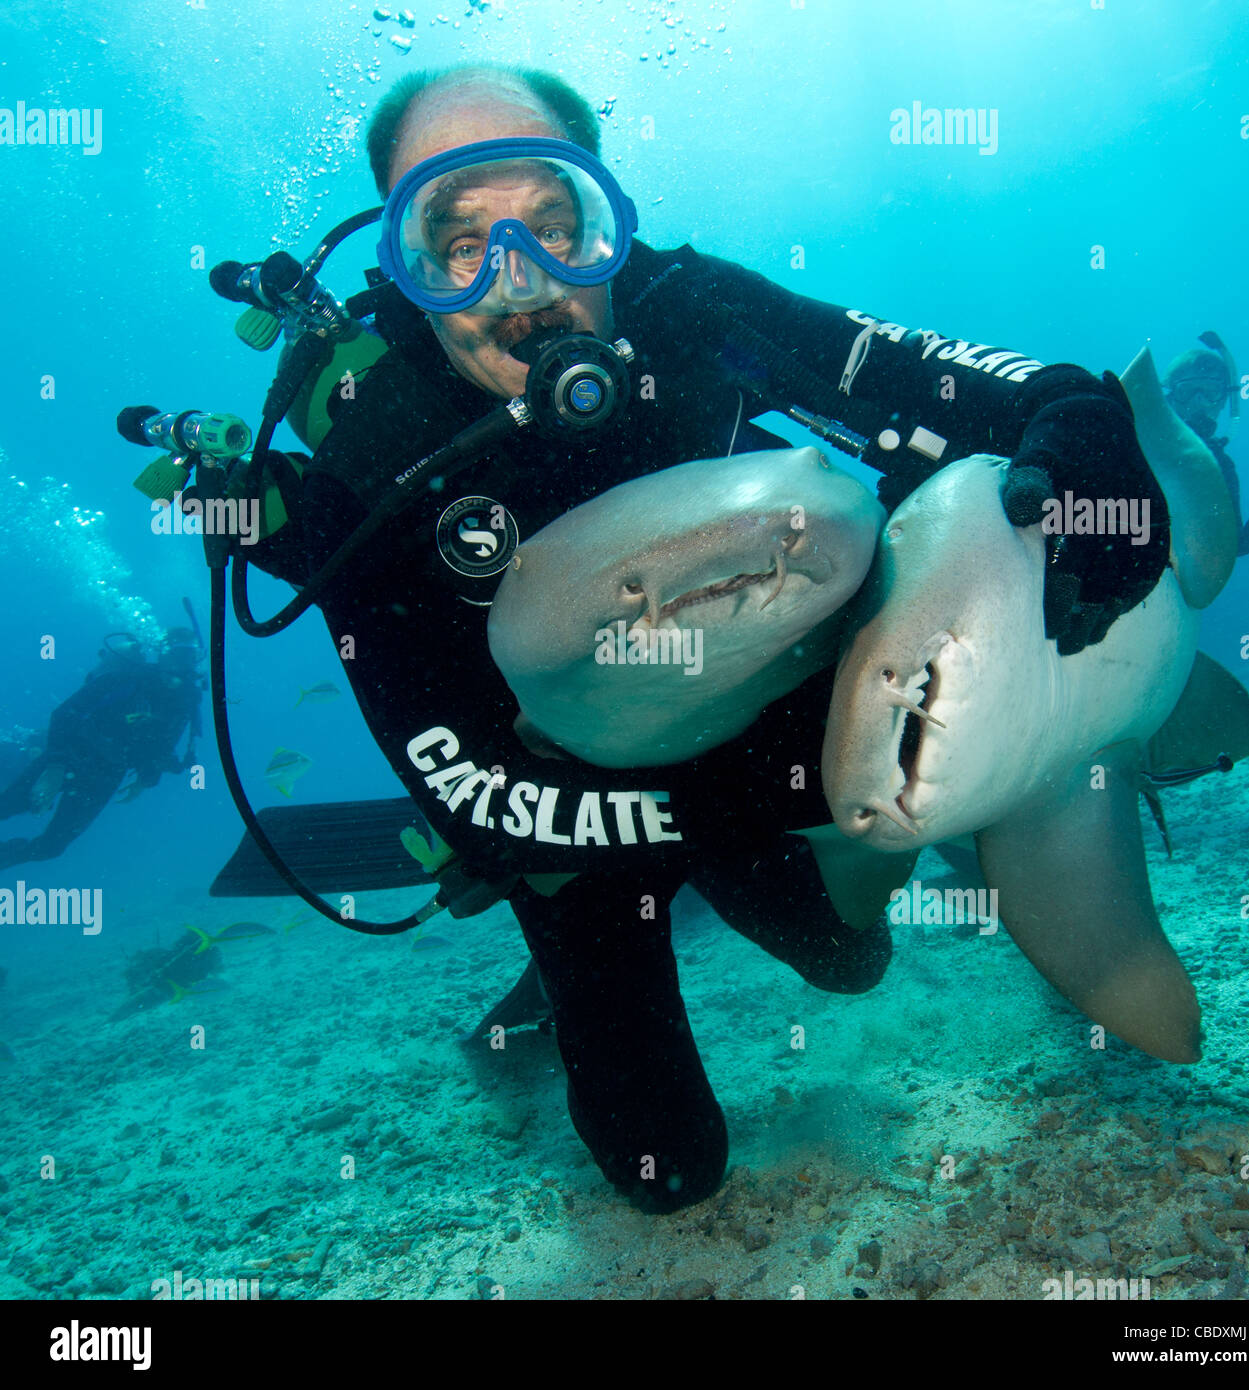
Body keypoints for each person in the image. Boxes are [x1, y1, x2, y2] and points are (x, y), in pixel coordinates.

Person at [245, 64, 1173, 1213]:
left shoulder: (688, 310)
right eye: (457, 242)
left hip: (744, 727)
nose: (519, 280)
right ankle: (569, 967)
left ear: (607, 218)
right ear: (399, 265)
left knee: (851, 961)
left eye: (552, 222)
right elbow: (460, 793)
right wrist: (717, 811)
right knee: (667, 1171)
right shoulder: (368, 447)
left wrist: (1078, 421)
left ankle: (863, 852)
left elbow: (956, 381)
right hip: (550, 808)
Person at [0, 628, 204, 871]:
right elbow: (65, 714)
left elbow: (164, 744)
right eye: (176, 655)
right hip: (72, 757)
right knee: (5, 807)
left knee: (51, 847)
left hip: (106, 775)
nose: (181, 664)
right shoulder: (128, 678)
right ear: (161, 654)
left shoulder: (187, 698)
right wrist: (54, 768)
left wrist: (147, 777)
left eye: (189, 657)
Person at [1163, 339, 1249, 562]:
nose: (1199, 402)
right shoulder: (1135, 438)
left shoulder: (1221, 467)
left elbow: (1219, 542)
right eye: (1188, 391)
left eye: (1211, 392)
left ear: (1222, 403)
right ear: (1170, 397)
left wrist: (1243, 540)